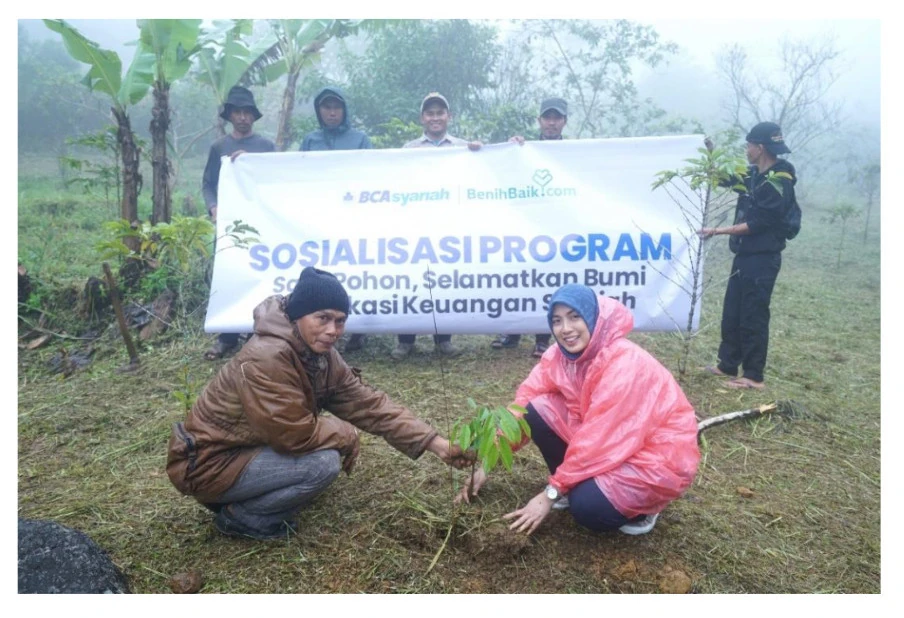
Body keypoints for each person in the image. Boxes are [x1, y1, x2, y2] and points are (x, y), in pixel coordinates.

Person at [168, 267, 473, 540]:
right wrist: (345, 433)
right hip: (207, 465)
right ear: (299, 315)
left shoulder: (318, 353)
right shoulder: (267, 356)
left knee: (322, 457)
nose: (333, 331)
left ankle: (241, 499)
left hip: (239, 451)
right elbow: (294, 436)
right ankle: (241, 518)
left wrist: (437, 444)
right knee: (321, 464)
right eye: (323, 318)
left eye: (340, 321)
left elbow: (367, 404)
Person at [457, 284, 700, 537]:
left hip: (654, 454)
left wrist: (550, 493)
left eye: (575, 317)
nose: (566, 329)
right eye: (557, 320)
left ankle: (642, 509)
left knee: (588, 508)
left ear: (594, 317)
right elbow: (524, 401)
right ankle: (573, 485)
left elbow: (601, 438)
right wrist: (487, 461)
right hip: (606, 442)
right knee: (535, 408)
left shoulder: (624, 364)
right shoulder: (558, 357)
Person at [699, 122, 798, 389]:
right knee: (733, 310)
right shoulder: (754, 175)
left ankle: (754, 376)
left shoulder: (780, 179)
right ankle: (727, 363)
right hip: (744, 255)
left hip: (764, 258)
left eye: (749, 145)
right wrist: (711, 152)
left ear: (759, 147)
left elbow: (759, 223)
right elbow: (724, 177)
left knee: (753, 314)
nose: (746, 150)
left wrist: (716, 231)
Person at [391, 92, 481, 361]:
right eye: (430, 113)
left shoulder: (465, 147)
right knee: (412, 281)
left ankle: (443, 340)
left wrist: (491, 150)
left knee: (444, 281)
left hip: (449, 226)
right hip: (416, 224)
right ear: (422, 118)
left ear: (448, 117)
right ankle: (406, 340)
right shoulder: (408, 150)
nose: (435, 117)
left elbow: (486, 168)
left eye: (440, 112)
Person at [491, 97, 569, 358]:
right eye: (547, 117)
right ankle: (512, 333)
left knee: (548, 280)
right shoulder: (524, 147)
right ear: (539, 120)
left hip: (557, 226)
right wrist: (510, 147)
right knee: (518, 278)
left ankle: (542, 339)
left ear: (564, 122)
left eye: (557, 118)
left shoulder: (576, 150)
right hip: (523, 224)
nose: (551, 122)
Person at [202, 85, 275, 361]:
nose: (243, 117)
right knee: (229, 274)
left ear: (253, 117)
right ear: (230, 116)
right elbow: (208, 184)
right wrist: (213, 207)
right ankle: (227, 336)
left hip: (261, 224)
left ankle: (259, 332)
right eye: (238, 112)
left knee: (260, 275)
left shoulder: (266, 147)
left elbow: (274, 181)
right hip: (230, 225)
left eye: (247, 112)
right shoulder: (218, 147)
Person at [300, 86, 373, 353]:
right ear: (320, 112)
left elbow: (372, 173)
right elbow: (294, 175)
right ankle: (322, 329)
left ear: (344, 111)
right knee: (325, 270)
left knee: (355, 268)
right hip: (319, 216)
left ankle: (358, 331)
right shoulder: (310, 141)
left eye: (337, 107)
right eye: (326, 107)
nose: (332, 112)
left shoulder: (361, 139)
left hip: (353, 216)